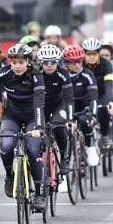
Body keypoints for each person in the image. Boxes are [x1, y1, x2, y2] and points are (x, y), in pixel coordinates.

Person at [0, 44, 46, 211]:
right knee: (6, 146)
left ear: (28, 62)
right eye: (14, 62)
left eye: (21, 62)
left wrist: (38, 127)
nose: (17, 66)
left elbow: (38, 103)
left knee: (33, 149)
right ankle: (10, 176)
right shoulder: (5, 73)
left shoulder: (36, 75)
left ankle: (40, 194)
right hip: (12, 115)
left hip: (32, 116)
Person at [37, 44, 74, 174]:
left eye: (53, 62)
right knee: (38, 130)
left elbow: (69, 98)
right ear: (41, 62)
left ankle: (64, 158)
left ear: (57, 62)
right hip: (42, 105)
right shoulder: (37, 74)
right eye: (46, 62)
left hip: (59, 104)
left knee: (58, 126)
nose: (49, 65)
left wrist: (69, 119)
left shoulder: (63, 74)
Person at [63, 45, 100, 167]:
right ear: (66, 63)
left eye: (79, 61)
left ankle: (90, 147)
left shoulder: (87, 74)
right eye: (73, 62)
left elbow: (94, 97)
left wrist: (93, 115)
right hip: (66, 107)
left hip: (83, 107)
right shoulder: (62, 75)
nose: (77, 65)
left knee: (86, 121)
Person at [82, 38, 113, 149]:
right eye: (89, 54)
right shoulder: (79, 65)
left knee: (104, 110)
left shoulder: (106, 65)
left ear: (98, 53)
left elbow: (109, 86)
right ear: (84, 54)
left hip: (101, 96)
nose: (91, 56)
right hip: (85, 98)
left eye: (94, 54)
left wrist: (108, 101)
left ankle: (105, 136)